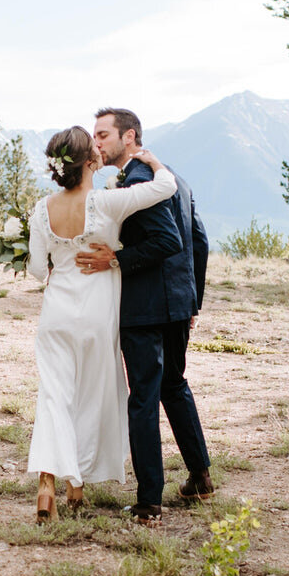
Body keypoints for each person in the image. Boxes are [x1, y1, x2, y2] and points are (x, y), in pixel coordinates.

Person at [24, 125, 178, 523]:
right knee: (91, 398)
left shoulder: (42, 210)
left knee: (54, 397)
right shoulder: (107, 203)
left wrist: (59, 259)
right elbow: (166, 187)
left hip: (56, 314)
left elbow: (38, 271)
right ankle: (78, 481)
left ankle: (49, 485)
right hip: (95, 314)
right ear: (91, 162)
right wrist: (153, 160)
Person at [77, 107, 213, 526]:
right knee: (174, 385)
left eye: (103, 135)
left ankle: (149, 500)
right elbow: (201, 241)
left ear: (129, 136)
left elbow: (168, 240)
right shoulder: (172, 176)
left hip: (144, 307)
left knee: (143, 398)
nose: (96, 143)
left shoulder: (139, 181)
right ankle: (200, 478)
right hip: (177, 302)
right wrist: (193, 301)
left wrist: (116, 259)